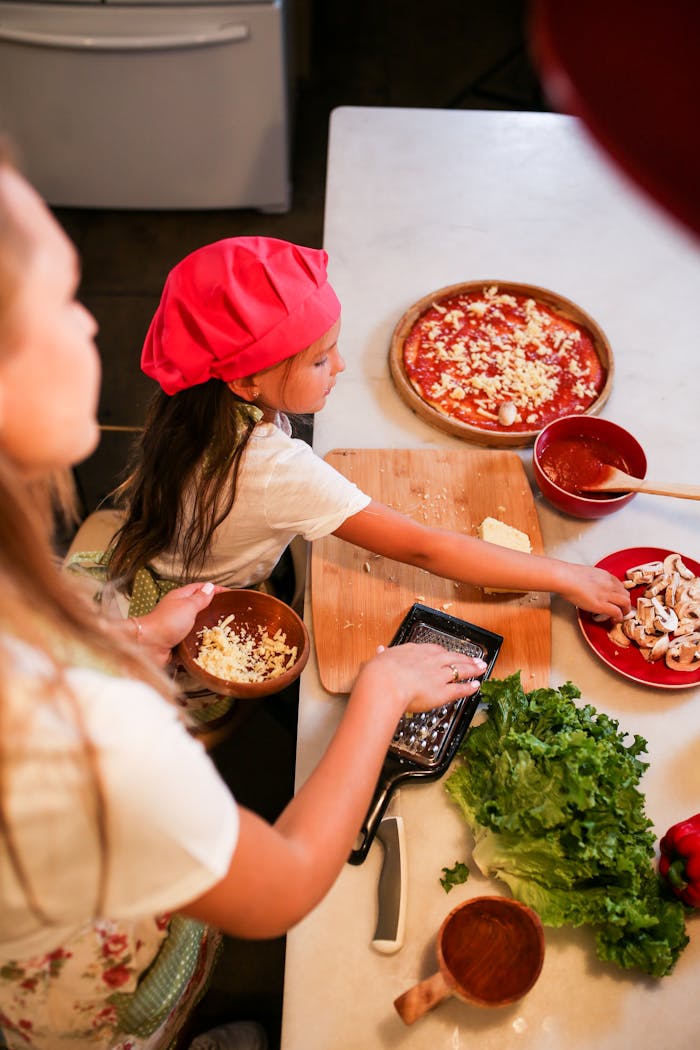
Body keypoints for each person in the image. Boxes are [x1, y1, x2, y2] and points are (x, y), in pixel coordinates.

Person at [0, 153, 489, 1050]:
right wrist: (378, 695)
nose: (96, 322)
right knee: (136, 1011)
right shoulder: (95, 738)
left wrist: (141, 633)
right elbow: (282, 887)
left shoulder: (31, 613)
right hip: (62, 969)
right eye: (65, 300)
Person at [104, 237, 630, 640]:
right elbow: (426, 549)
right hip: (200, 607)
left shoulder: (190, 403)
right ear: (246, 382)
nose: (341, 365)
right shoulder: (275, 471)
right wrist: (566, 576)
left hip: (156, 548)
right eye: (318, 359)